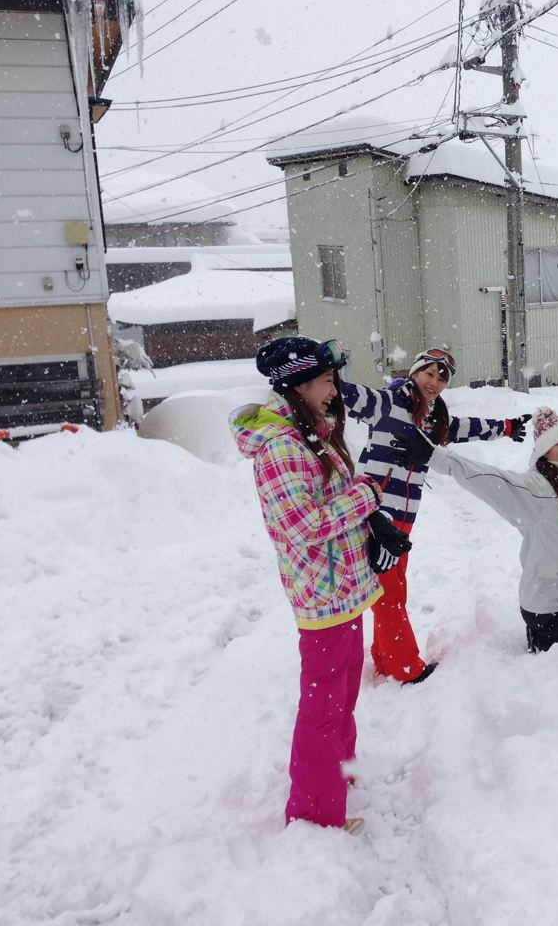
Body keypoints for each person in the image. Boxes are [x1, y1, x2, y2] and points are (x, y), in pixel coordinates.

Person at [232, 336, 410, 833]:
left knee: (344, 687)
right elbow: (305, 525)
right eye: (329, 380)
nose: (336, 390)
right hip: (322, 592)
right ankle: (313, 810)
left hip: (343, 586)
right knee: (324, 705)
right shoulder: (282, 448)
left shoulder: (308, 432)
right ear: (300, 383)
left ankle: (339, 771)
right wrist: (367, 496)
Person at [391, 348, 558, 652]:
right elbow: (481, 475)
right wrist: (434, 456)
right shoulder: (533, 490)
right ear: (545, 450)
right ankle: (542, 636)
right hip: (549, 609)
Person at [342, 347, 530, 684]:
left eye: (442, 377)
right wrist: (324, 372)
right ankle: (405, 667)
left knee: (388, 588)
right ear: (414, 372)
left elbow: (461, 428)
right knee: (389, 591)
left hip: (401, 517)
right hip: (378, 515)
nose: (435, 382)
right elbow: (353, 396)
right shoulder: (391, 402)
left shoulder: (430, 417)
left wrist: (505, 426)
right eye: (429, 373)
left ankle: (385, 658)